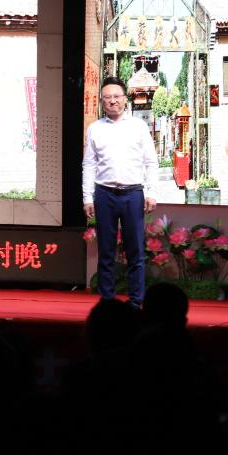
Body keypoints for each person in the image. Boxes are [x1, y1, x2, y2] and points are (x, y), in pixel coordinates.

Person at [82, 76, 157, 308]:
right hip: (104, 194)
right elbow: (89, 165)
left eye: (116, 96)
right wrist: (87, 197)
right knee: (106, 251)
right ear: (101, 101)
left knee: (135, 251)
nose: (112, 101)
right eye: (107, 97)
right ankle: (107, 302)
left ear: (125, 99)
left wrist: (151, 193)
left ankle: (136, 302)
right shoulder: (95, 129)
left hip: (133, 194)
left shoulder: (138, 126)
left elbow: (151, 162)